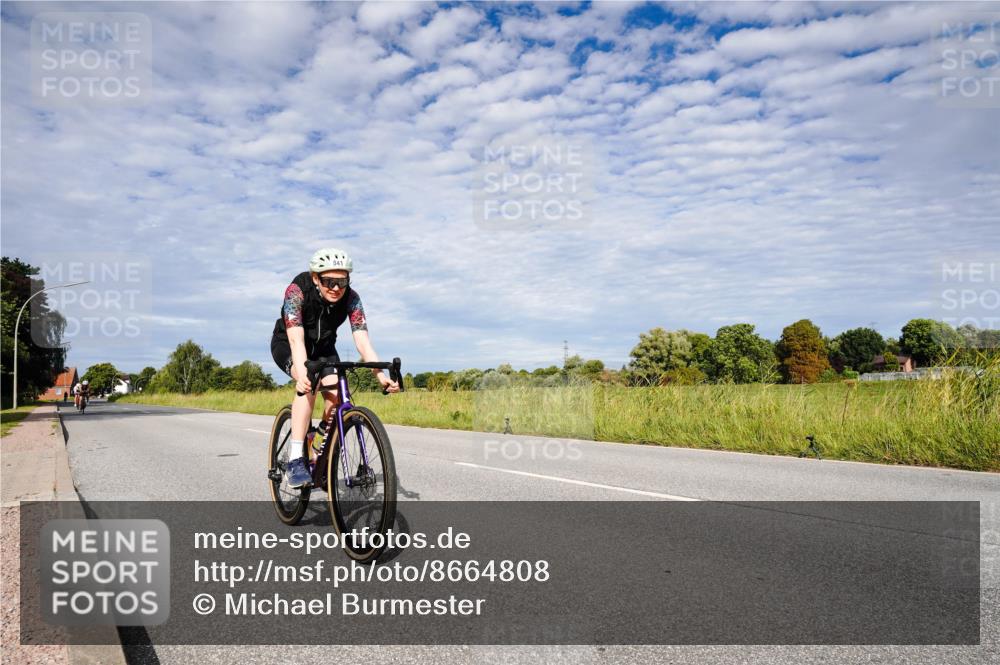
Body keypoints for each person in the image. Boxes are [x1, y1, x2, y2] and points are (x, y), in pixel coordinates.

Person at [271, 247, 399, 488]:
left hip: (325, 349)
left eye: (342, 281)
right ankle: (296, 459)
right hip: (289, 344)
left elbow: (363, 342)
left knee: (338, 396)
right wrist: (302, 373)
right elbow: (296, 340)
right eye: (329, 281)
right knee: (309, 384)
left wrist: (380, 375)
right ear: (315, 278)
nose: (336, 288)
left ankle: (317, 444)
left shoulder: (352, 298)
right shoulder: (296, 291)